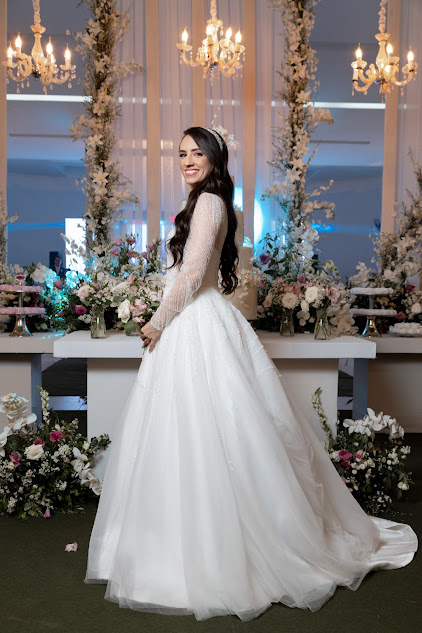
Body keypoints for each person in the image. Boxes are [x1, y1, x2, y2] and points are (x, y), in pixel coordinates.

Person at [85, 127, 417, 621]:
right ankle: (178, 538)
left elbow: (192, 273)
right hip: (194, 321)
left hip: (195, 322)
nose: (188, 160)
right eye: (181, 154)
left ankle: (213, 547)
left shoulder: (209, 203)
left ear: (214, 157)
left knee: (209, 427)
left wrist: (157, 321)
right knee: (189, 427)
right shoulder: (206, 201)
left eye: (197, 153)